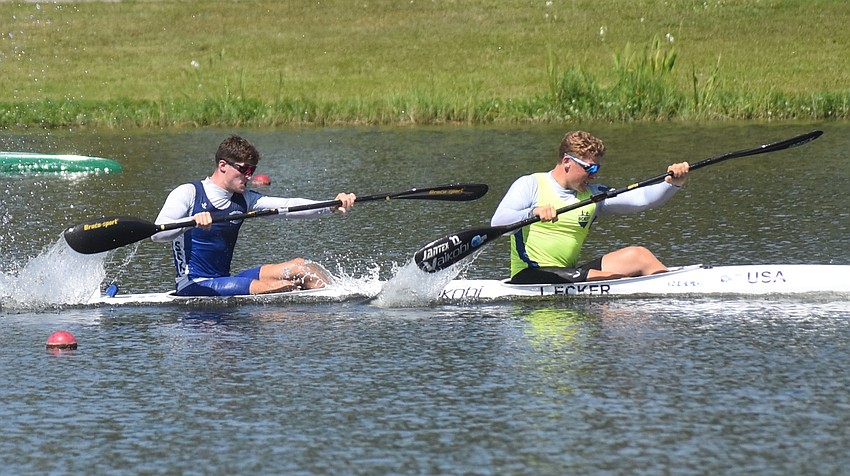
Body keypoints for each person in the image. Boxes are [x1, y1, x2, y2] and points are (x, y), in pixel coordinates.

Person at [151, 135, 356, 296]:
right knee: (276, 288)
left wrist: (331, 205)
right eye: (244, 169)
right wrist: (191, 222)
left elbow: (289, 206)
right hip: (194, 284)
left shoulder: (246, 199)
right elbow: (157, 234)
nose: (249, 176)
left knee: (302, 267)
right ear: (223, 165)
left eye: (252, 170)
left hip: (223, 279)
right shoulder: (188, 193)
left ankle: (342, 300)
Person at [490, 130, 689, 284]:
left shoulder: (593, 195)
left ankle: (674, 291)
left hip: (568, 273)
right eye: (590, 168)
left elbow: (642, 198)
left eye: (597, 168)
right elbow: (498, 223)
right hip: (530, 275)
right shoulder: (531, 185)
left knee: (639, 256)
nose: (594, 175)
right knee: (612, 278)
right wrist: (532, 212)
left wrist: (672, 183)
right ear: (567, 162)